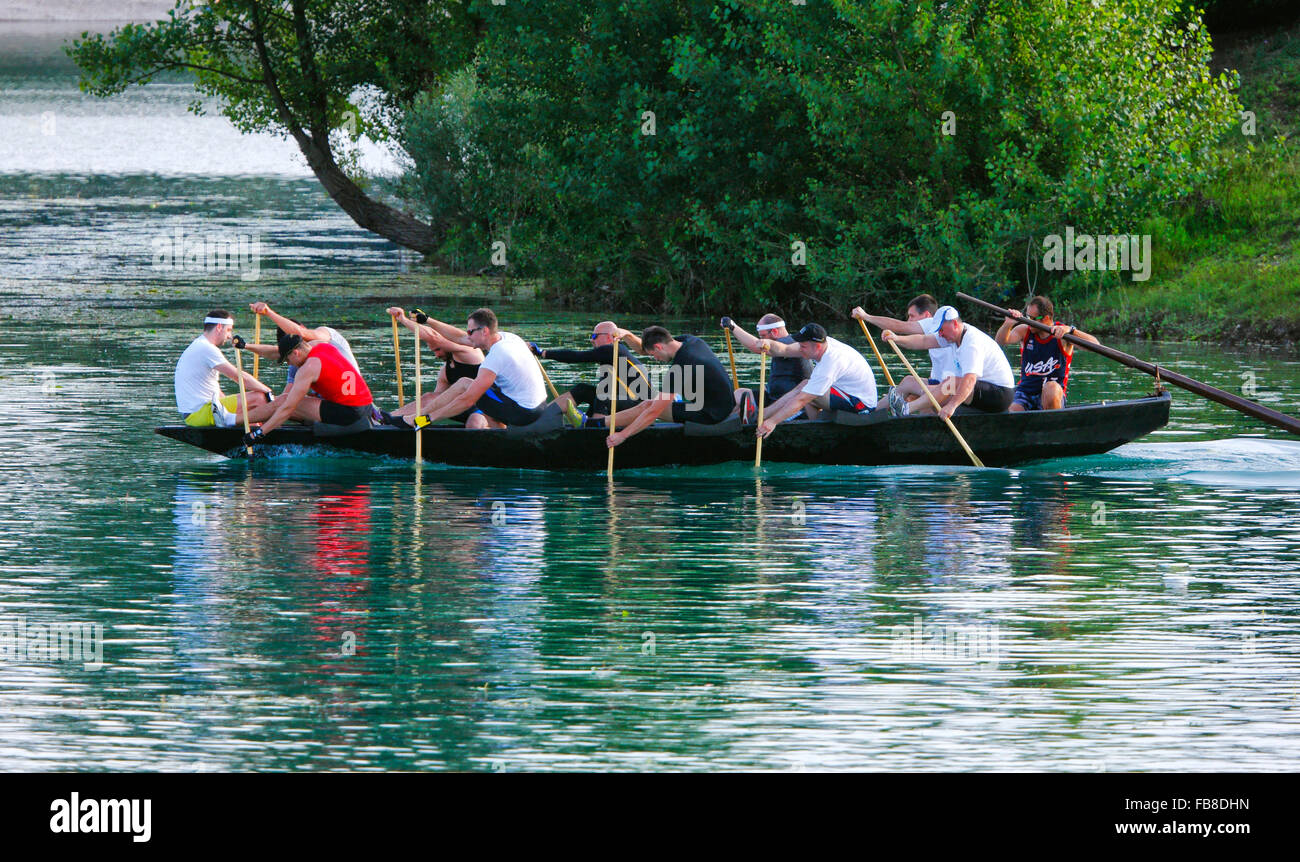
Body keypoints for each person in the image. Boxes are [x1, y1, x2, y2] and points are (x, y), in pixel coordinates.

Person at [395, 308, 547, 429]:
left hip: (524, 413)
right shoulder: (509, 337)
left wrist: (426, 420)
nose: (467, 335)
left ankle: (416, 420)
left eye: (470, 332)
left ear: (484, 331)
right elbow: (459, 337)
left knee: (468, 387)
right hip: (539, 407)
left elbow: (467, 400)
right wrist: (427, 320)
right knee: (467, 384)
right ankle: (500, 434)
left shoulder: (496, 356)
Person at [605, 326, 741, 449]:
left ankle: (597, 424)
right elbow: (644, 349)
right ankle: (601, 423)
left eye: (653, 355)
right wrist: (627, 334)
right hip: (725, 402)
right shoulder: (690, 341)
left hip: (713, 414)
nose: (655, 359)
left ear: (658, 347)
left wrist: (623, 435)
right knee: (651, 404)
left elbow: (654, 412)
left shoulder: (681, 367)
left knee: (649, 406)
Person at [243, 330, 377, 445]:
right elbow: (275, 353)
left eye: (288, 361)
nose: (289, 364)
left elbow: (288, 408)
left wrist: (258, 434)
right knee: (288, 402)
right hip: (366, 406)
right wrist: (246, 346)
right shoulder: (320, 345)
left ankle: (235, 420)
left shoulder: (309, 368)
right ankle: (238, 420)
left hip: (349, 413)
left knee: (284, 402)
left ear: (295, 353)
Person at [881, 305, 1015, 418]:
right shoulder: (953, 334)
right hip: (977, 389)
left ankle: (906, 409)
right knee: (910, 381)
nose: (940, 334)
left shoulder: (972, 343)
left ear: (954, 324)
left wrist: (952, 406)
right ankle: (872, 412)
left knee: (951, 382)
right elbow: (923, 341)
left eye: (941, 330)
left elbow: (970, 380)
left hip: (1000, 395)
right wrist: (897, 339)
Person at [755, 324, 878, 439]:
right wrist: (768, 343)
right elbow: (786, 350)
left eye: (803, 347)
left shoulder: (830, 362)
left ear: (817, 346)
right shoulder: (822, 343)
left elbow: (801, 399)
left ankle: (763, 416)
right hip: (847, 392)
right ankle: (815, 430)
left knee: (806, 390)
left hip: (861, 405)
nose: (800, 349)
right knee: (809, 388)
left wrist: (773, 422)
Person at [531, 321, 649, 426]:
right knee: (582, 390)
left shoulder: (612, 349)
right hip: (624, 402)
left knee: (603, 397)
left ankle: (594, 430)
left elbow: (576, 357)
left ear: (609, 337)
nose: (591, 340)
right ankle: (536, 421)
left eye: (595, 336)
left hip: (641, 408)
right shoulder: (610, 357)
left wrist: (542, 353)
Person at [994, 295, 1099, 411]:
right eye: (1028, 317)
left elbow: (1095, 346)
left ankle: (1051, 422)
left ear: (1047, 318)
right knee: (1013, 410)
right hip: (1025, 392)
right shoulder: (1024, 330)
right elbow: (1000, 341)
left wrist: (1071, 330)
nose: (1029, 321)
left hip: (1052, 394)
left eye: (1033, 319)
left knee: (1051, 387)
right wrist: (1008, 324)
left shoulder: (1063, 335)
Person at [174, 309, 273, 427]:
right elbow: (241, 378)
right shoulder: (206, 348)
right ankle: (273, 435)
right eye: (228, 330)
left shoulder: (199, 345)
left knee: (252, 419)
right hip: (201, 414)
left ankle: (256, 430)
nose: (229, 336)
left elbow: (216, 391)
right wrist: (269, 393)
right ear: (219, 327)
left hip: (197, 414)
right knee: (260, 397)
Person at [384, 307, 485, 423]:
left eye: (438, 349)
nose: (436, 355)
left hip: (485, 409)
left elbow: (434, 337)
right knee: (430, 399)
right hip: (459, 408)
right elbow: (436, 404)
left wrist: (402, 319)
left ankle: (385, 419)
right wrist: (421, 421)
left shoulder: (471, 352)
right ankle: (397, 421)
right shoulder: (444, 373)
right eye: (434, 351)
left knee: (474, 421)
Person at [851, 294, 951, 410]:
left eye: (911, 316)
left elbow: (899, 326)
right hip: (942, 384)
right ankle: (877, 412)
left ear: (927, 315)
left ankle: (870, 412)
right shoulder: (937, 336)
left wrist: (866, 316)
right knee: (911, 394)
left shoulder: (931, 323)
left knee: (909, 382)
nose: (909, 321)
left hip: (950, 388)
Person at [244, 301, 360, 389]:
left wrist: (269, 312)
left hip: (350, 394)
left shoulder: (324, 333)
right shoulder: (295, 358)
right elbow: (276, 352)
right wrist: (245, 345)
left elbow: (300, 333)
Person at [720, 313, 812, 401]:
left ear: (775, 332)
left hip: (788, 401)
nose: (762, 340)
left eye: (763, 336)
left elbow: (755, 346)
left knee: (741, 397)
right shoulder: (782, 343)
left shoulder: (789, 342)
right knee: (739, 393)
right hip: (773, 396)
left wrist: (733, 327)